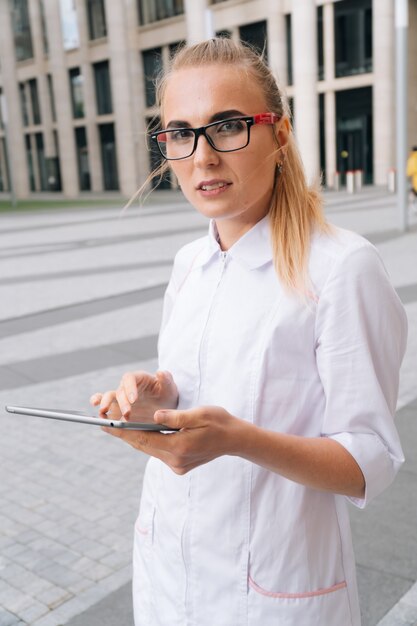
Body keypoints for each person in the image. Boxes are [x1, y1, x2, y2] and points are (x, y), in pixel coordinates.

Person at [90, 38, 407, 626]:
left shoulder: (342, 268)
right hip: (168, 574)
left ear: (280, 134)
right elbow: (197, 391)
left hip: (276, 594)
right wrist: (157, 397)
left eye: (227, 126)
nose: (202, 157)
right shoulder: (189, 262)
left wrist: (239, 439)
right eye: (180, 133)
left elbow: (370, 462)